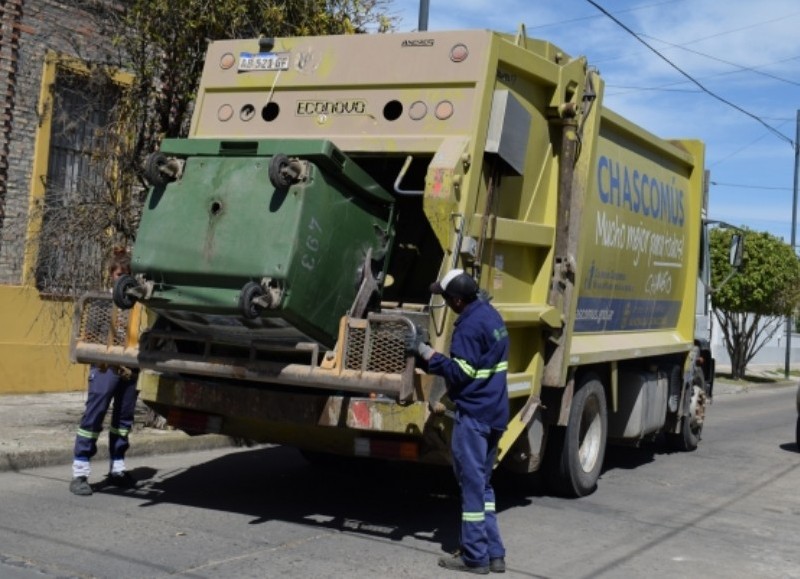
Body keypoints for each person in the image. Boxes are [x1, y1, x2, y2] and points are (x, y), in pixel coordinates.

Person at [412, 268, 509, 575]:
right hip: (495, 414)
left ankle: (475, 556)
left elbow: (460, 373)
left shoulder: (467, 326)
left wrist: (425, 353)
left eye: (445, 297)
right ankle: (494, 554)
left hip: (475, 417)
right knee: (483, 487)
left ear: (456, 300)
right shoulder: (491, 315)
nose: (445, 302)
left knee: (470, 487)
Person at [69, 250, 140, 496]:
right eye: (119, 274)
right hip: (105, 367)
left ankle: (117, 468)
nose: (123, 279)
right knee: (94, 416)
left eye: (127, 275)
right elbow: (91, 335)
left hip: (130, 369)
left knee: (123, 420)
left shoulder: (138, 305)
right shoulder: (101, 301)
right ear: (112, 275)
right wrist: (110, 355)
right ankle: (80, 472)